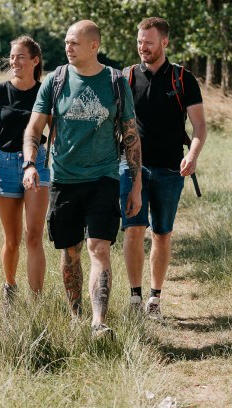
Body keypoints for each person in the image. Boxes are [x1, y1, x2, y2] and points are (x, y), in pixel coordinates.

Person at [22, 20, 142, 338]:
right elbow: (34, 128)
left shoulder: (115, 82)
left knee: (98, 247)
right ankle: (76, 316)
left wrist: (136, 186)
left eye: (74, 42)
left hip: (104, 177)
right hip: (64, 179)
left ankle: (98, 322)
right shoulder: (56, 80)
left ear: (93, 46)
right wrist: (30, 164)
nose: (68, 48)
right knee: (70, 252)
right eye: (66, 42)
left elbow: (131, 135)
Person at [120, 17, 206, 320]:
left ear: (164, 42)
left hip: (170, 169)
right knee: (133, 230)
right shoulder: (127, 77)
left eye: (149, 42)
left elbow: (199, 126)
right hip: (132, 168)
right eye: (139, 42)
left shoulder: (183, 79)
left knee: (161, 234)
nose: (143, 47)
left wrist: (192, 155)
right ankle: (135, 297)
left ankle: (154, 298)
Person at [0, 36, 50, 298]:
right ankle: (10, 287)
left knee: (34, 236)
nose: (14, 61)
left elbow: (55, 133)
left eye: (20, 57)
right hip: (5, 165)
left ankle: (37, 299)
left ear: (35, 60)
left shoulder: (44, 92)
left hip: (37, 164)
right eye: (12, 57)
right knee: (12, 240)